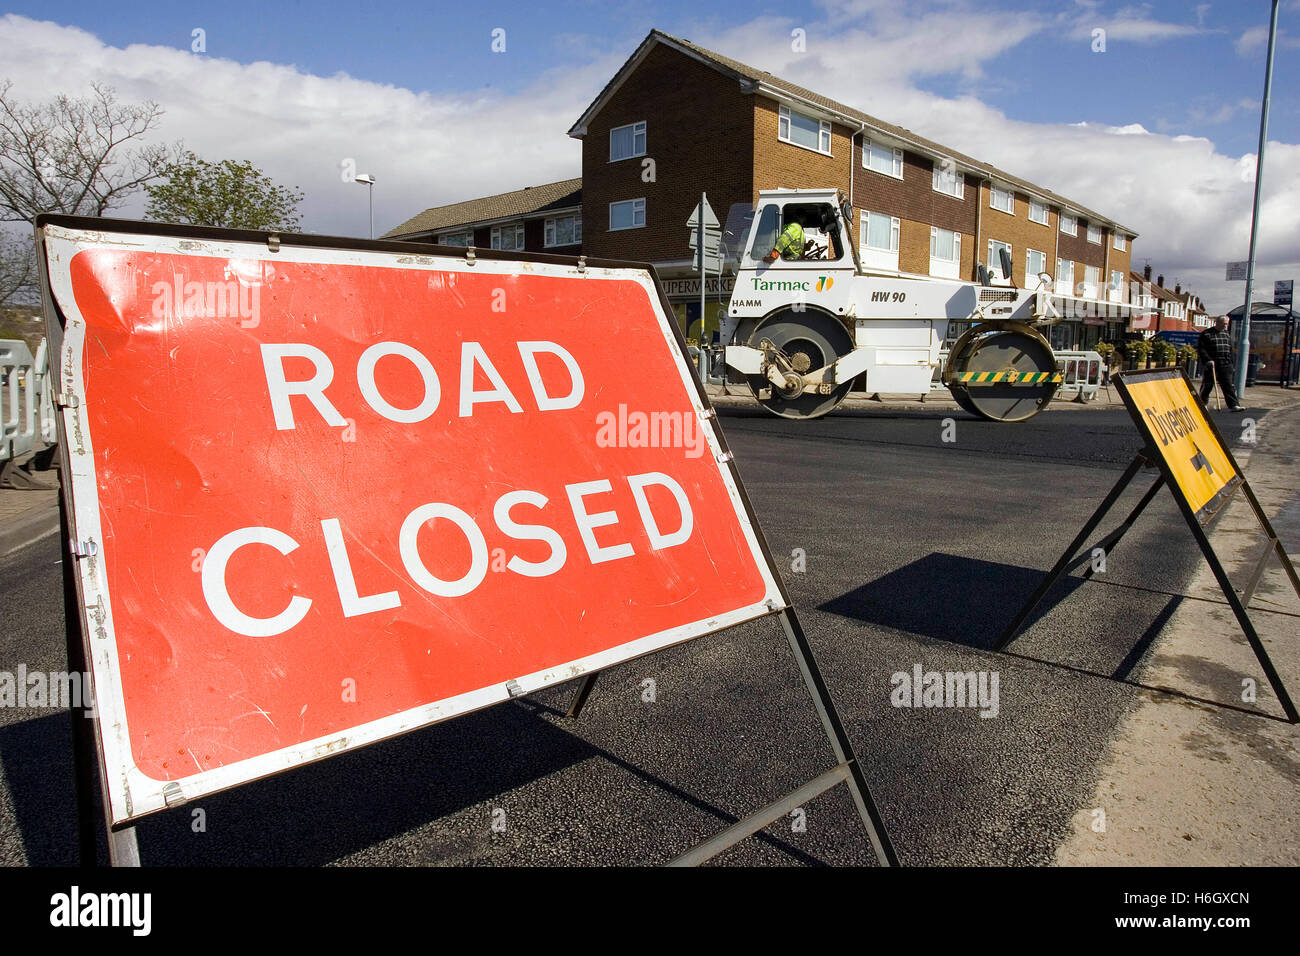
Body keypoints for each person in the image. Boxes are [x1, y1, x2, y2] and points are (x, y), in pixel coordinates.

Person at [1197, 316, 1243, 411]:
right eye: (1224, 323)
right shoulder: (1206, 334)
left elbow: (1229, 349)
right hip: (1212, 363)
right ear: (1217, 322)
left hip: (1225, 363)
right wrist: (1207, 360)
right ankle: (1202, 403)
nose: (1225, 326)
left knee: (1228, 385)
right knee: (1207, 385)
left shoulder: (1226, 334)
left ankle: (1233, 405)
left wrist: (1231, 363)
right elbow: (1201, 349)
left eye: (1227, 324)